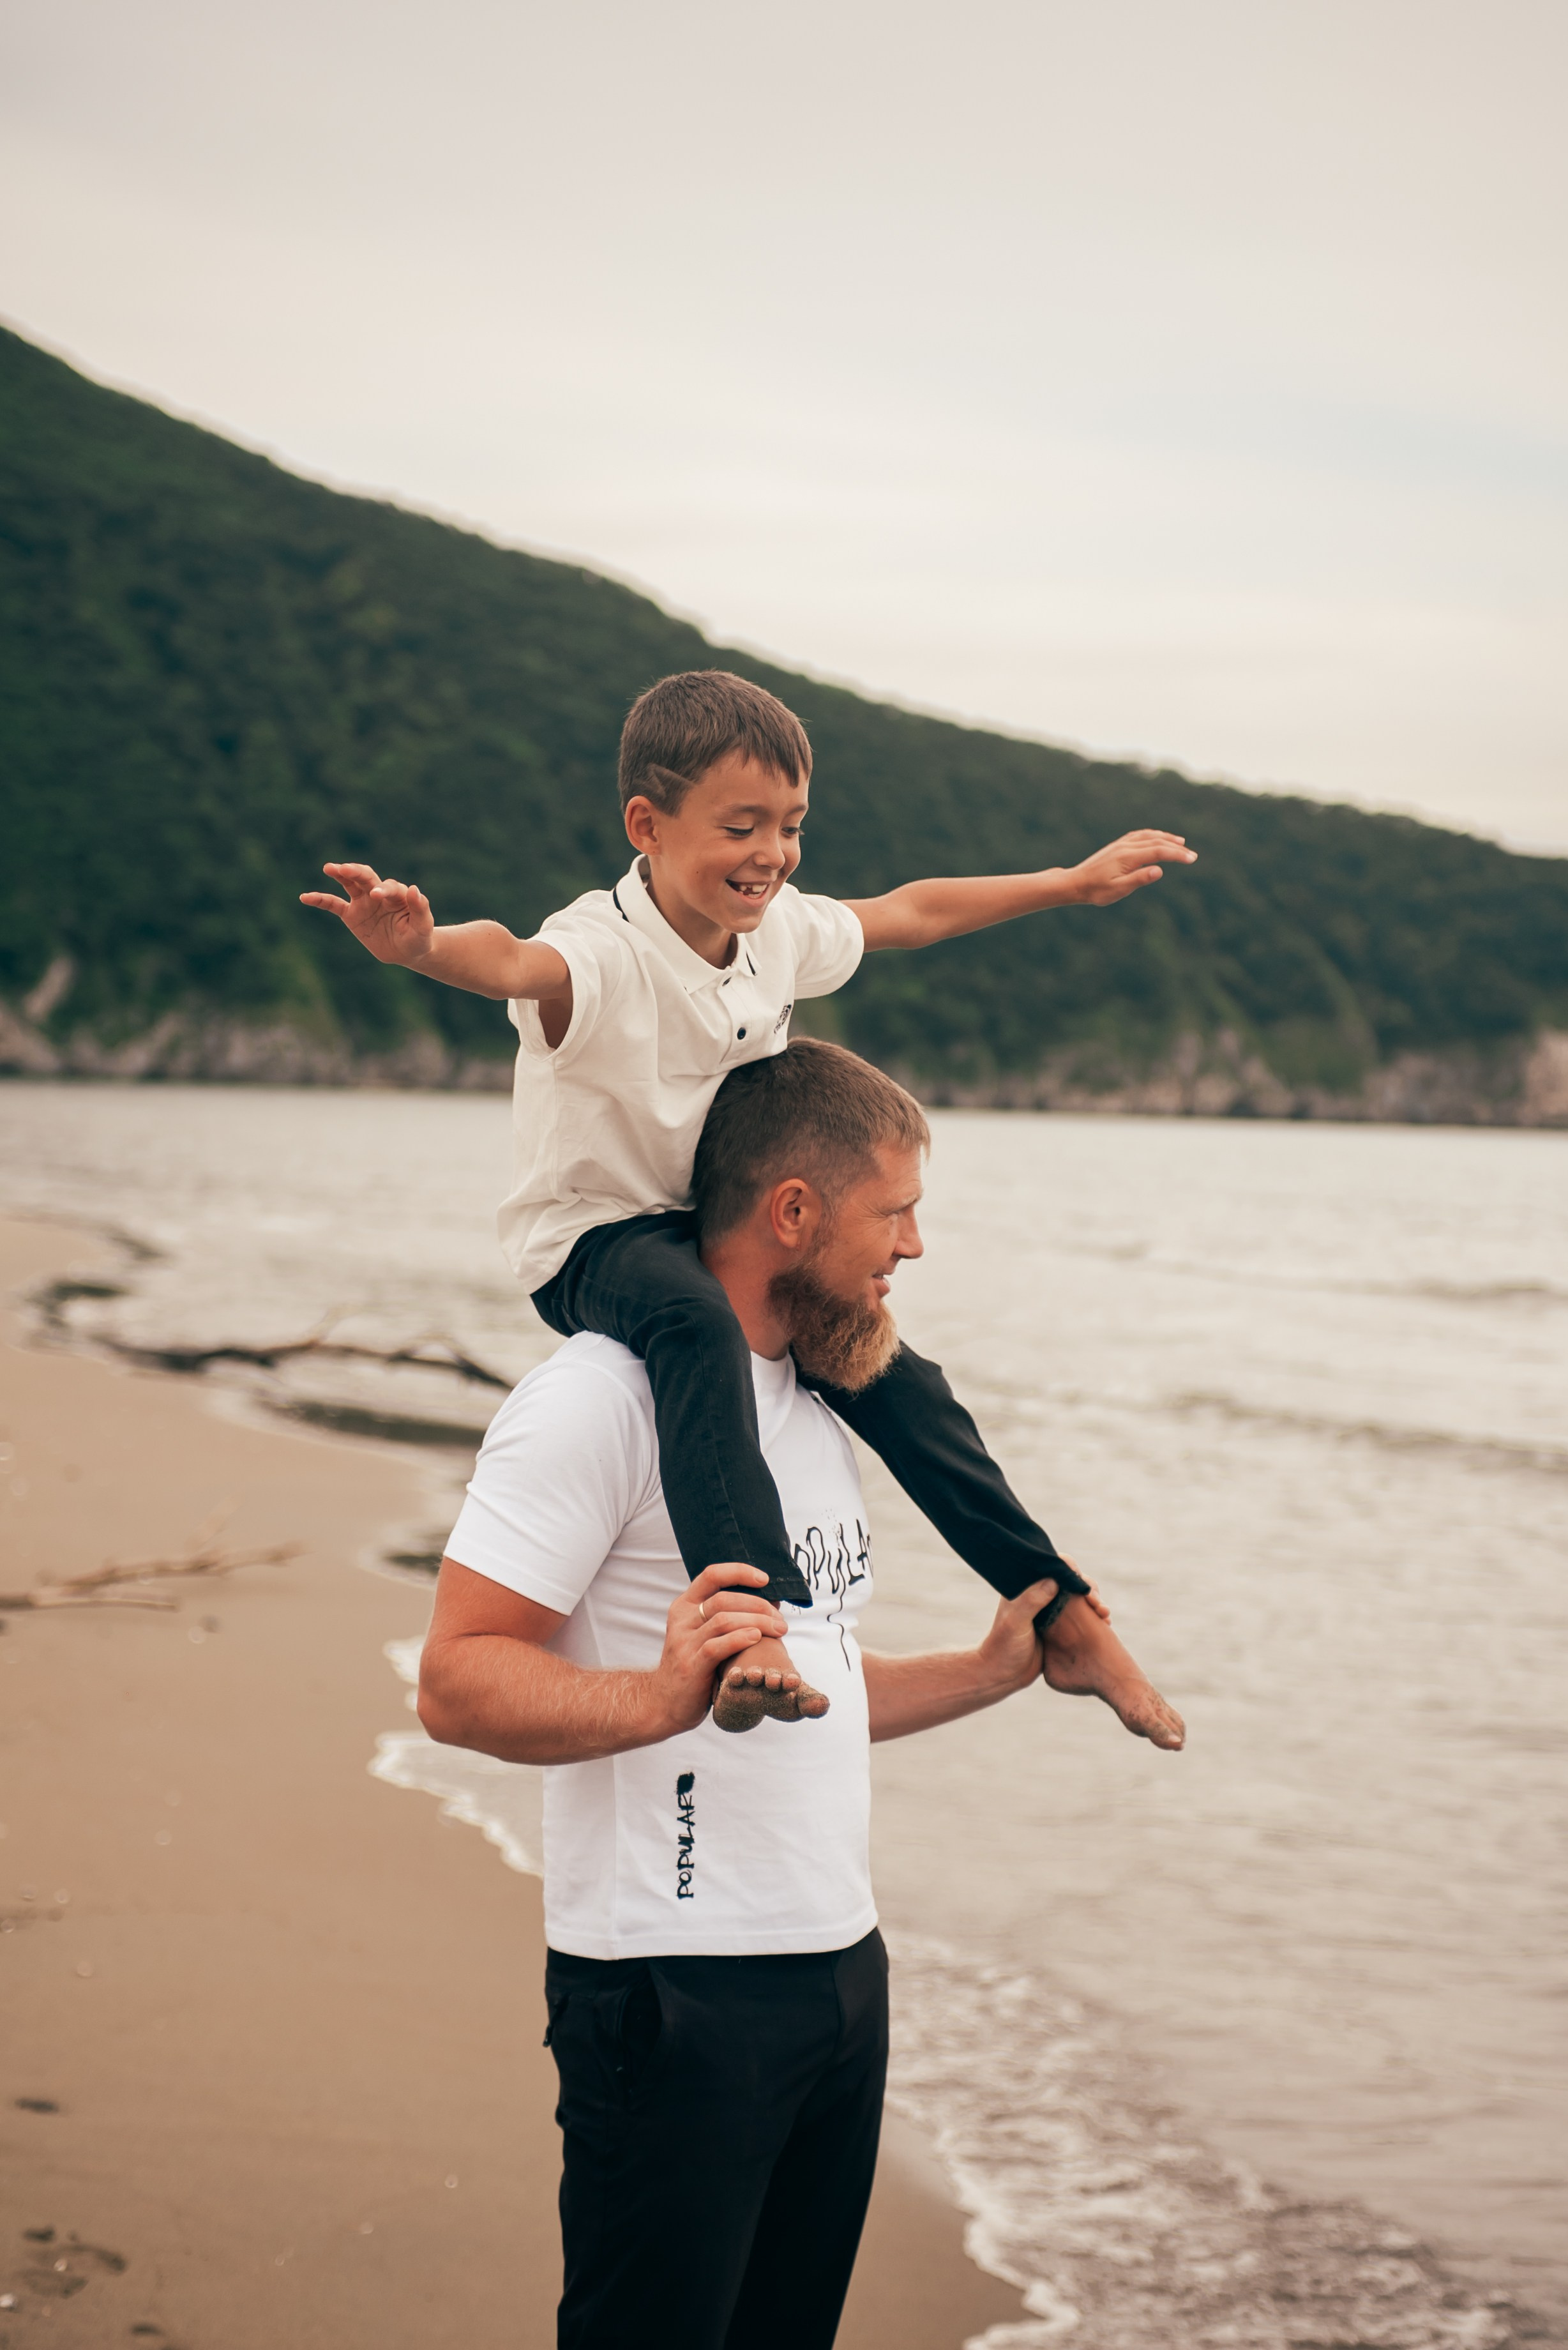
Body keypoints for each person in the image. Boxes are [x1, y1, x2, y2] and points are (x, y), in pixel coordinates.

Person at [416, 1040, 1184, 2350]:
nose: (916, 1249)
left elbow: (808, 1681)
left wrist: (989, 1673)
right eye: (894, 1215)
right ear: (793, 1213)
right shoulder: (596, 1401)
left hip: (837, 1971)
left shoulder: (815, 1404)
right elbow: (456, 1680)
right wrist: (662, 1698)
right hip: (670, 1989)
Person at [302, 668, 1196, 1727]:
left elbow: (909, 911)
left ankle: (1065, 1620)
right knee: (691, 1320)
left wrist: (1066, 883)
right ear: (649, 824)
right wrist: (421, 950)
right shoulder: (603, 950)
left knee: (893, 1369)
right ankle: (751, 1622)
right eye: (740, 826)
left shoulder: (774, 935)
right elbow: (510, 962)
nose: (771, 853)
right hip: (592, 1241)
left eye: (791, 826)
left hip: (712, 1228)